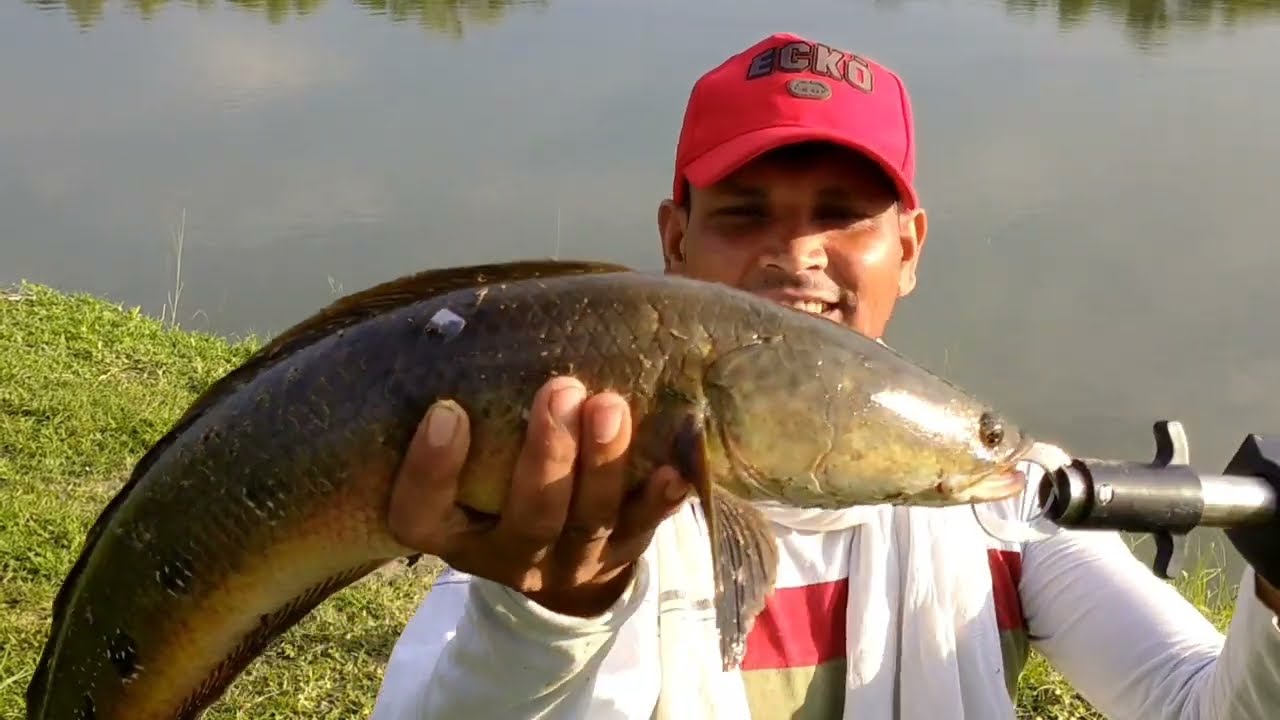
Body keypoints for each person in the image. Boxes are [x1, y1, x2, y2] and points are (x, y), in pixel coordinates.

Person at [368, 32, 1280, 719]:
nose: (797, 254)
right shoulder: (565, 488)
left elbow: (1201, 706)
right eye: (745, 214)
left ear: (908, 249)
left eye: (844, 215)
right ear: (674, 241)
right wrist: (545, 617)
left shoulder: (1011, 508)